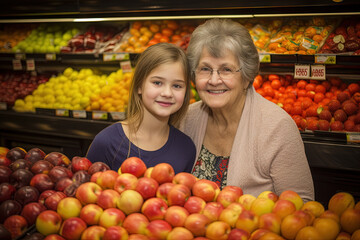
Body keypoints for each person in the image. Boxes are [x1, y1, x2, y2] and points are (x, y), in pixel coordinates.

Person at [180, 18, 314, 201]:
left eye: (226, 69)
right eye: (205, 69)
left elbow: (302, 204)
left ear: (246, 76)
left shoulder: (276, 127)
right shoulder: (187, 118)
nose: (214, 80)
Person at [87, 42, 196, 174]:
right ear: (139, 86)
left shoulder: (186, 148)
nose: (167, 93)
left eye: (177, 86)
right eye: (157, 83)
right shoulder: (107, 142)